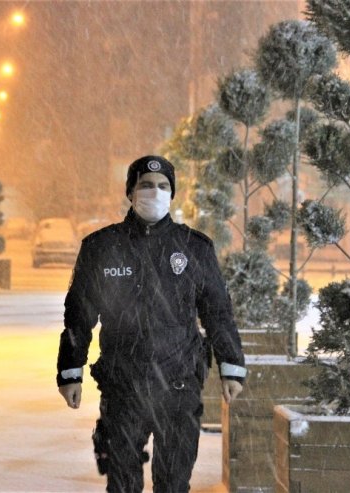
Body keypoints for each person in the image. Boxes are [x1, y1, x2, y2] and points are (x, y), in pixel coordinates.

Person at [56, 155, 246, 493]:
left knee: (173, 482)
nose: (154, 193)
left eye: (162, 186)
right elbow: (79, 316)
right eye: (145, 185)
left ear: (172, 194)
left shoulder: (194, 248)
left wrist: (231, 366)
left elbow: (217, 311)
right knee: (123, 482)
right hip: (122, 386)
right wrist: (70, 371)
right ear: (130, 191)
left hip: (179, 386)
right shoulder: (102, 248)